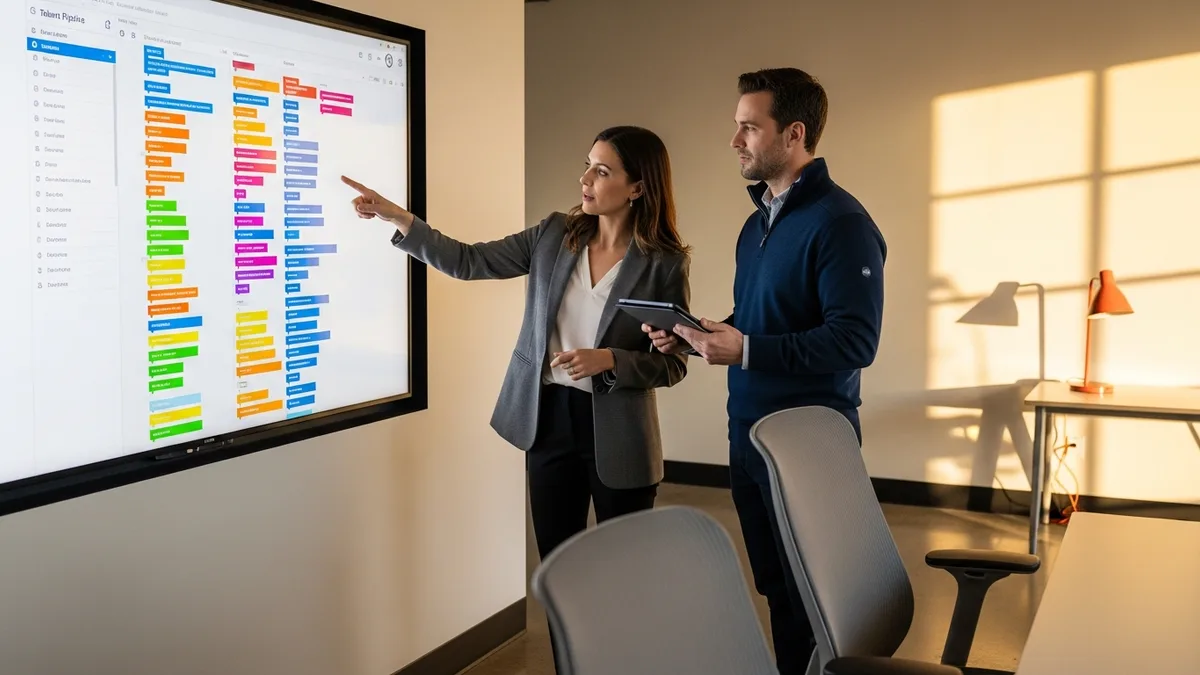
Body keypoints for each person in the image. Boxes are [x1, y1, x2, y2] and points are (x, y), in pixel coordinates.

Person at [341, 125, 691, 664]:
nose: (585, 179)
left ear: (638, 187)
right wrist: (399, 218)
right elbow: (468, 260)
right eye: (587, 164)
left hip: (620, 434)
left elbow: (673, 363)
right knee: (561, 573)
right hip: (547, 423)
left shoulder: (663, 262)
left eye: (602, 171)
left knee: (625, 578)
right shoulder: (554, 234)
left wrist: (612, 360)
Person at [645, 68, 887, 673]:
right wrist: (696, 337)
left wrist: (747, 350)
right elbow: (759, 321)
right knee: (778, 588)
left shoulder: (842, 223)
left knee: (813, 597)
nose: (735, 140)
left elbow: (855, 340)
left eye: (749, 128)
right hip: (748, 434)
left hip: (808, 443)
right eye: (737, 126)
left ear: (794, 134)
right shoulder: (757, 224)